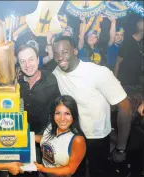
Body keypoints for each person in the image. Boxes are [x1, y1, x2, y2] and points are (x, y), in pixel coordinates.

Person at [52, 35, 131, 177]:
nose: (60, 57)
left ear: (75, 51)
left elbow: (125, 107)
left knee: (98, 172)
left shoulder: (98, 73)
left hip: (97, 138)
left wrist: (120, 148)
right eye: (56, 53)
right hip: (73, 136)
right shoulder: (57, 73)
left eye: (65, 52)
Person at [17, 44, 60, 176]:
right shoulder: (16, 83)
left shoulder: (51, 80)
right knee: (28, 172)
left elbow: (58, 110)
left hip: (45, 137)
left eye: (31, 59)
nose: (27, 65)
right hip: (23, 138)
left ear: (38, 59)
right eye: (22, 61)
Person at [35, 95, 86, 177]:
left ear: (74, 115)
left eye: (67, 113)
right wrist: (28, 136)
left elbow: (70, 169)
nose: (62, 119)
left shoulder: (77, 139)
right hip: (42, 173)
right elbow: (46, 139)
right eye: (58, 113)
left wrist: (42, 169)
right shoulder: (52, 126)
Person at [115, 18, 144, 85]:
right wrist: (115, 80)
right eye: (141, 23)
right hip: (125, 79)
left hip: (136, 79)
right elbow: (118, 62)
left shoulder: (142, 42)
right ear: (139, 26)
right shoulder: (128, 42)